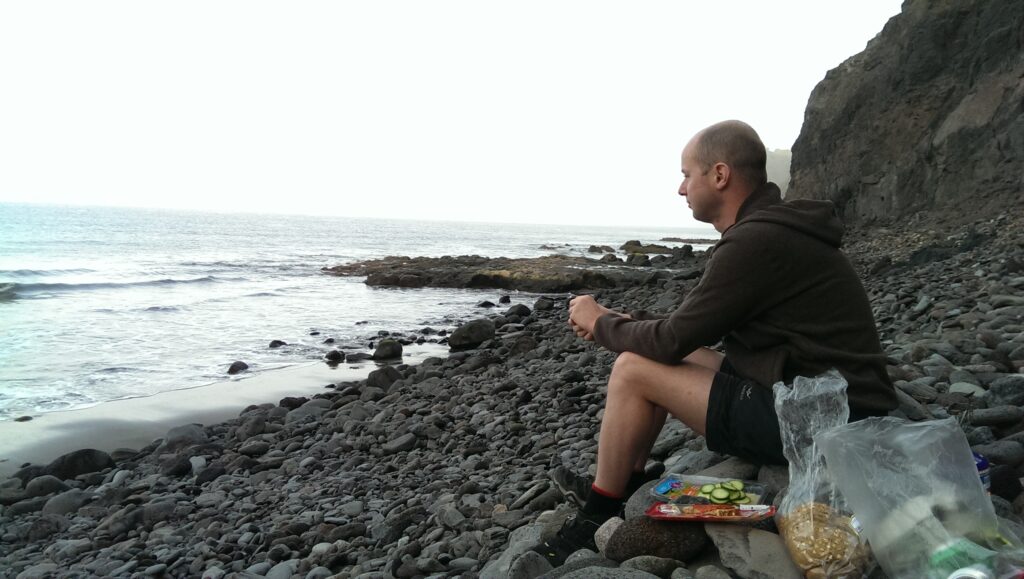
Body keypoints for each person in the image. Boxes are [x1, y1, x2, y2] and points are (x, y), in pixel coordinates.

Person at [536, 120, 898, 563]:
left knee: (633, 369)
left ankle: (598, 512)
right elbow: (689, 327)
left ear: (720, 175)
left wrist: (600, 323)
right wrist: (621, 321)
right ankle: (626, 479)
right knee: (647, 354)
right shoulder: (771, 231)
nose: (681, 188)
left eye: (688, 174)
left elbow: (669, 341)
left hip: (828, 421)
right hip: (823, 394)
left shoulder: (755, 240)